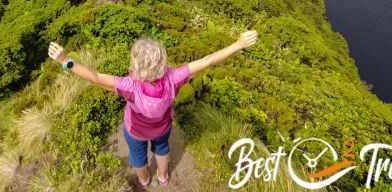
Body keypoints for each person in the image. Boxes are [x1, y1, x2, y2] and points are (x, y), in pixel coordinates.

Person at [47, 30, 259, 188]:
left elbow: (95, 77)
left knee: (138, 157)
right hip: (162, 127)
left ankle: (144, 179)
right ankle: (163, 177)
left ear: (135, 65)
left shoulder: (129, 86)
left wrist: (66, 60)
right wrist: (238, 44)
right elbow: (208, 60)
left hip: (135, 131)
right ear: (162, 61)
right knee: (162, 149)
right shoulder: (174, 78)